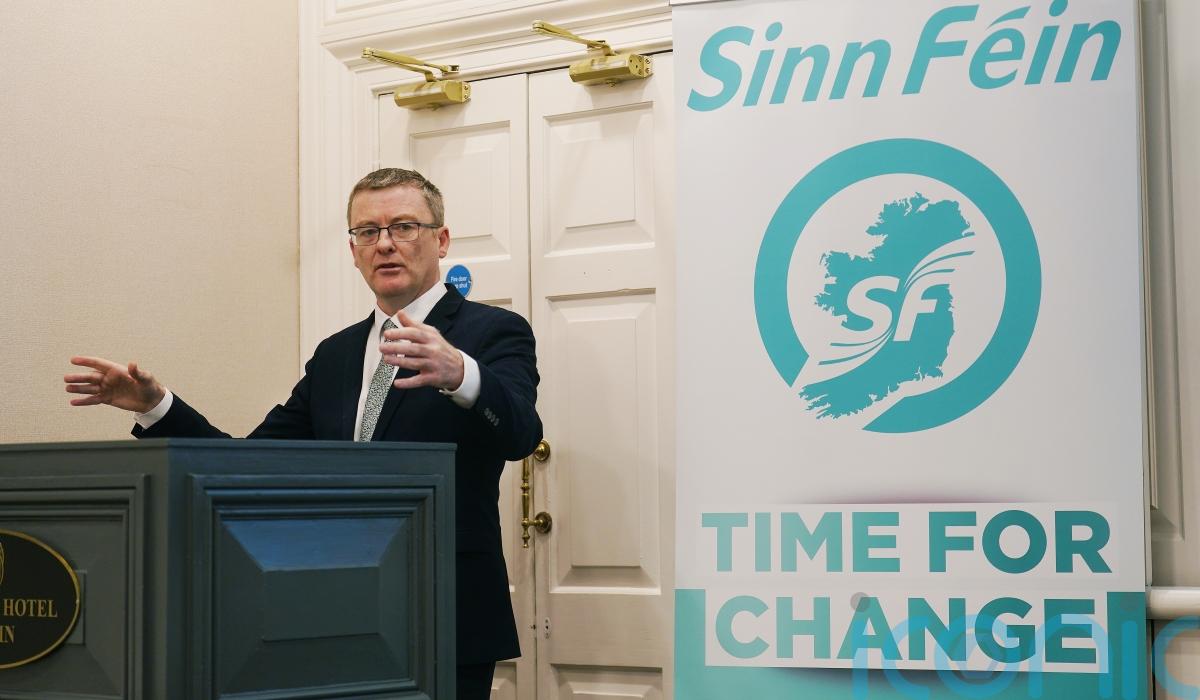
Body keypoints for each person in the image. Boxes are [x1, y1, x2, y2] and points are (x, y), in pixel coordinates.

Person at [64, 168, 542, 700]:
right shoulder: (336, 354)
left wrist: (460, 374)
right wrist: (156, 407)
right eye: (368, 231)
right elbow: (248, 463)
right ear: (354, 251)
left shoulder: (492, 332)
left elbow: (521, 434)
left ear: (442, 240)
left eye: (404, 226)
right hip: (334, 607)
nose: (385, 244)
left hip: (447, 609)